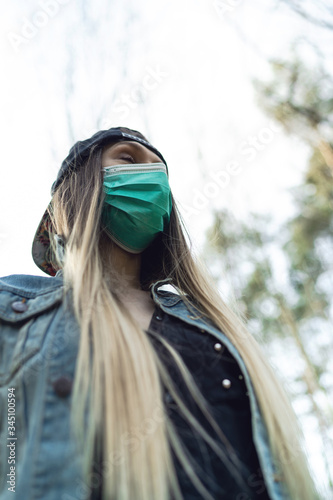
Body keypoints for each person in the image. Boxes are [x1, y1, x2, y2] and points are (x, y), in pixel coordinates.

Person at [0, 126, 319, 500]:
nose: (151, 178)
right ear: (77, 190)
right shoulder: (11, 310)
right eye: (128, 159)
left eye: (159, 172)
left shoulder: (213, 324)